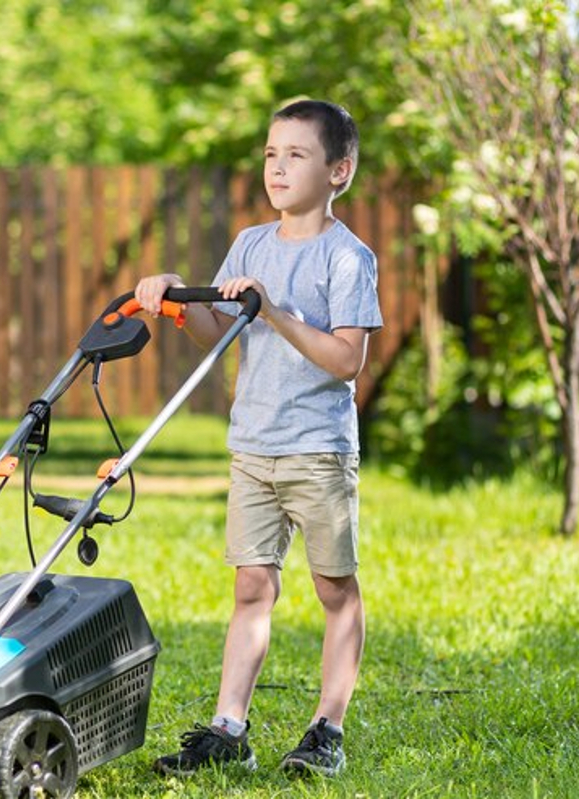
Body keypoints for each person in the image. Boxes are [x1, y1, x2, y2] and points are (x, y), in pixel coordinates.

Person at [135, 99, 382, 779]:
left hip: (317, 448)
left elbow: (346, 361)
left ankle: (326, 727)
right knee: (251, 586)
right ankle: (229, 728)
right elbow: (220, 334)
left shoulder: (347, 258)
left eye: (296, 155)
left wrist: (273, 307)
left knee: (335, 588)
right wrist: (174, 304)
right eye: (271, 154)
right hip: (254, 445)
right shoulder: (248, 244)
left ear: (339, 170)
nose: (278, 166)